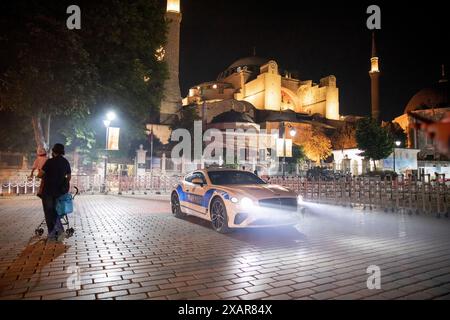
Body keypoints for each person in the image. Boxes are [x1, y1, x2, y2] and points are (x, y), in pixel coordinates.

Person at [38, 143, 71, 241]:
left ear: (54, 151)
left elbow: (40, 175)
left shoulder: (49, 162)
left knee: (49, 212)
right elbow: (69, 177)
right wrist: (63, 183)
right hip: (60, 192)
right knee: (56, 211)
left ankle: (54, 233)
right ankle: (57, 232)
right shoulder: (66, 162)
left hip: (48, 191)